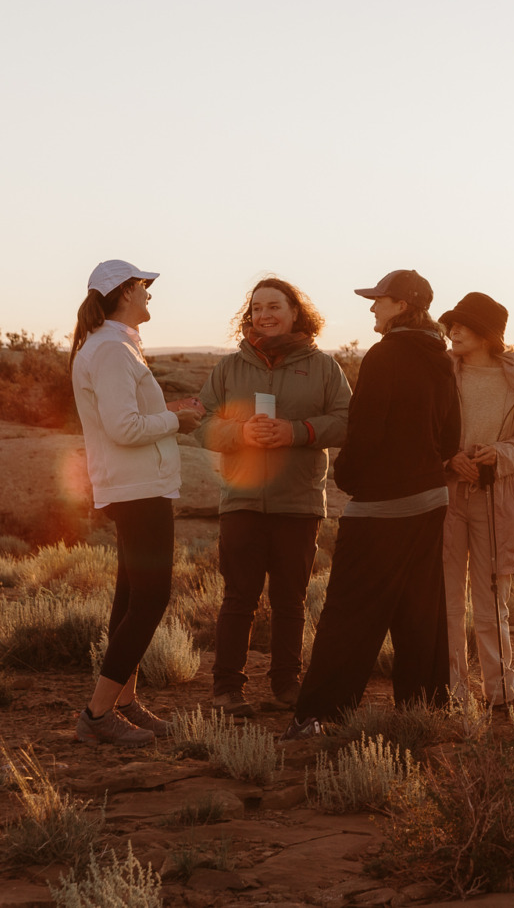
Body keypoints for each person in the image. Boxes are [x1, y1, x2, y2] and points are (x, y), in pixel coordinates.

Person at [285, 269, 460, 738]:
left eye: (379, 300)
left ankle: (317, 717)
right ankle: (425, 713)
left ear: (402, 305)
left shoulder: (386, 356)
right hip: (429, 499)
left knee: (349, 611)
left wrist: (349, 477)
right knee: (420, 610)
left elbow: (366, 430)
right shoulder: (440, 356)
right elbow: (451, 437)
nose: (372, 307)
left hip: (381, 504)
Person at [196, 277, 351, 716]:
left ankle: (286, 684)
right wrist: (239, 432)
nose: (264, 315)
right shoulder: (230, 368)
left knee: (290, 601)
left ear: (295, 312)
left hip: (298, 502)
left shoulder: (323, 367)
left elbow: (345, 420)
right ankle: (227, 688)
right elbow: (201, 422)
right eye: (257, 308)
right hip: (242, 501)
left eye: (274, 306)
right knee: (238, 598)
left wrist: (297, 432)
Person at [69, 259, 205, 745]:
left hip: (137, 486)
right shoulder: (111, 351)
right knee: (150, 599)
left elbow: (126, 417)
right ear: (125, 291)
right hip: (137, 489)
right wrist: (176, 422)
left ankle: (123, 702)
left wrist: (168, 412)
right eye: (144, 287)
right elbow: (123, 428)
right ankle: (98, 715)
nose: (150, 295)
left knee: (131, 598)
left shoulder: (114, 346)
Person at [438, 292, 514, 711]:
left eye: (463, 325)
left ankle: (501, 693)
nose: (453, 331)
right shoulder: (442, 373)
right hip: (445, 496)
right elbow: (424, 431)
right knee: (445, 600)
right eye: (452, 324)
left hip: (496, 500)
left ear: (487, 334)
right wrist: (449, 458)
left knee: (490, 600)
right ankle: (452, 692)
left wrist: (499, 454)